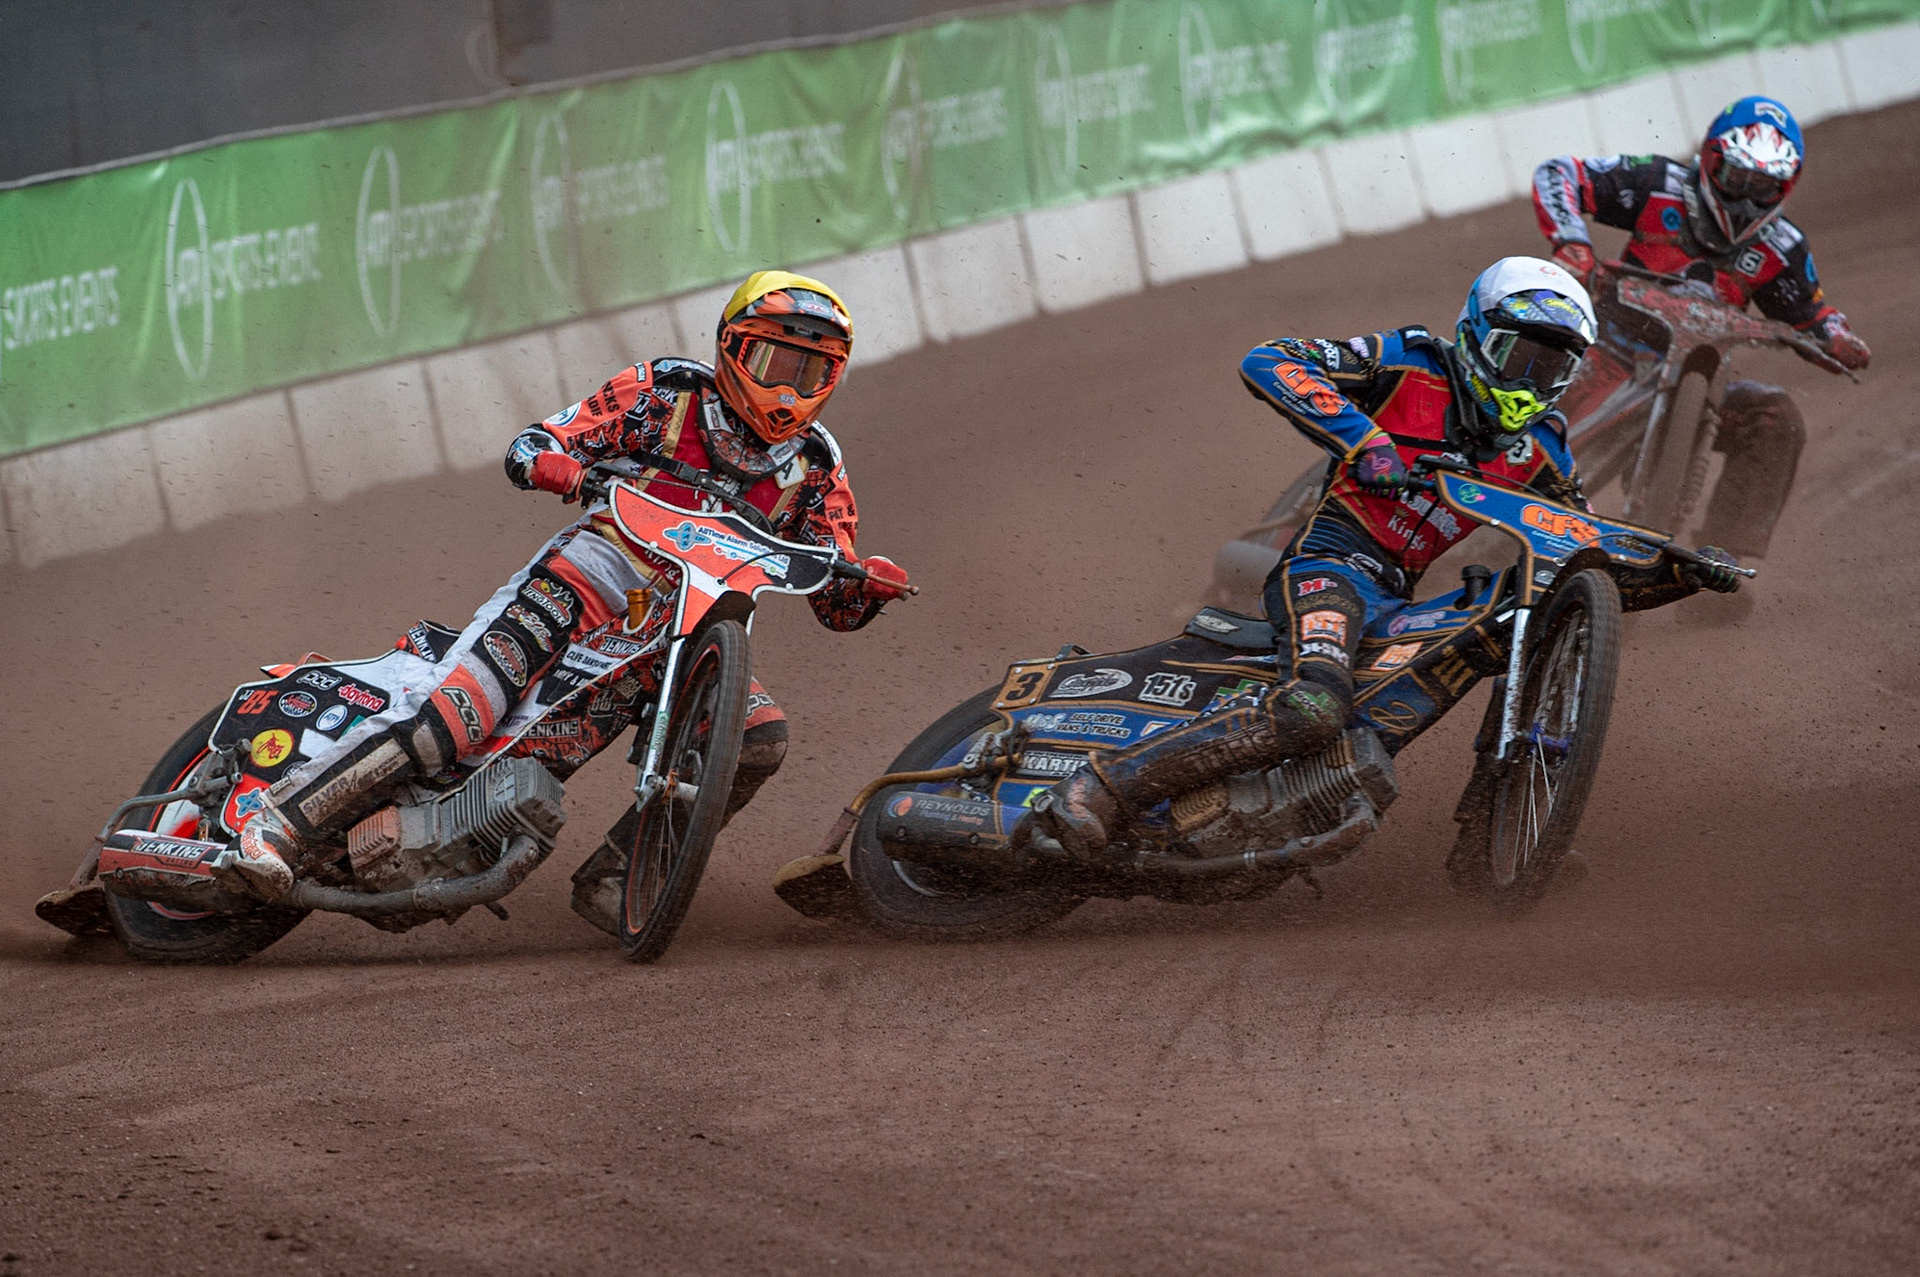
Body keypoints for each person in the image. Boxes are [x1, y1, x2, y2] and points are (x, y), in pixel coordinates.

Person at [210, 271, 911, 932]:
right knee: (450, 724)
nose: (790, 387)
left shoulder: (817, 464)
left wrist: (866, 583)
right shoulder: (666, 391)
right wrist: (564, 467)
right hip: (586, 579)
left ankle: (618, 876)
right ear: (732, 348)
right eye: (775, 361)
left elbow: (834, 594)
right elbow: (533, 444)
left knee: (760, 736)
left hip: (684, 632)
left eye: (811, 372)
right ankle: (276, 822)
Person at [1021, 257, 1739, 860]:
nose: (1531, 380)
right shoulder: (1409, 362)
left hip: (1399, 597)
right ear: (1478, 336)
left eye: (1553, 368)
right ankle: (1101, 785)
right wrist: (1364, 442)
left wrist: (1678, 572)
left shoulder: (1541, 449)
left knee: (1521, 611)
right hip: (1329, 564)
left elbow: (1582, 549)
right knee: (1313, 706)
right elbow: (1271, 360)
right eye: (1522, 356)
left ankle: (1488, 834)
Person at [1532, 94, 1868, 568]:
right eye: (1737, 179)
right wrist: (1571, 242)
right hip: (1606, 349)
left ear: (1785, 186)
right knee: (1529, 411)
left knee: (1775, 417)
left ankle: (1722, 563)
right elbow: (1558, 173)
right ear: (1712, 161)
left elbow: (1811, 314)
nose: (1747, 198)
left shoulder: (1781, 246)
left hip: (1701, 381)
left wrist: (1837, 337)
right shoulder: (1658, 184)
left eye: (1763, 186)